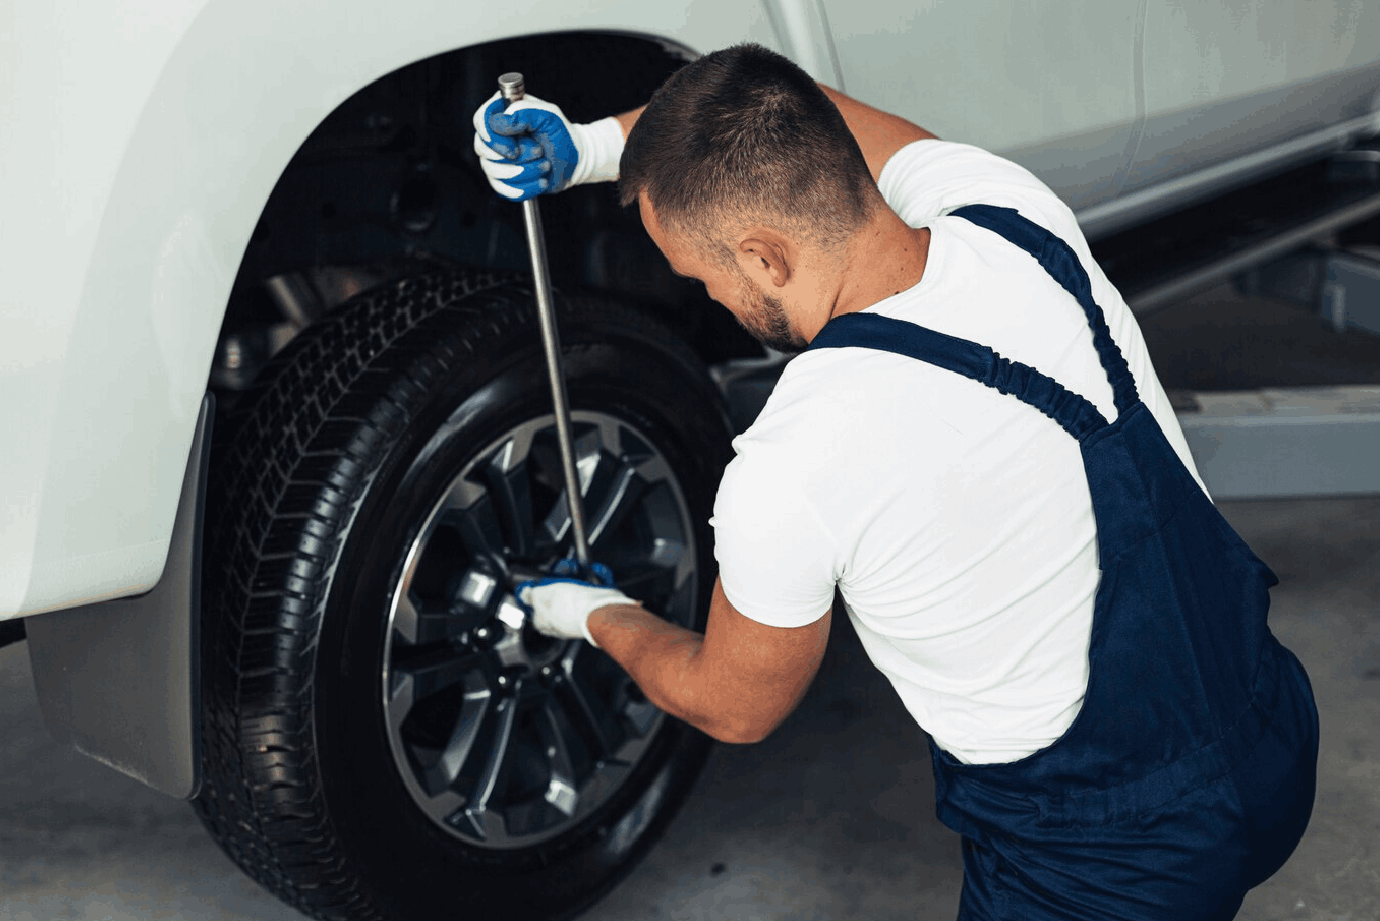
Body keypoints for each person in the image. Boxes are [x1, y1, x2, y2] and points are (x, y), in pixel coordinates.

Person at [473, 44, 1320, 921]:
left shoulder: (794, 457)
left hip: (1102, 867)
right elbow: (816, 108)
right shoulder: (1011, 210)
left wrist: (588, 612)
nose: (712, 300)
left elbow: (734, 706)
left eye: (700, 275)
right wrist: (591, 147)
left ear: (763, 259)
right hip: (1269, 734)